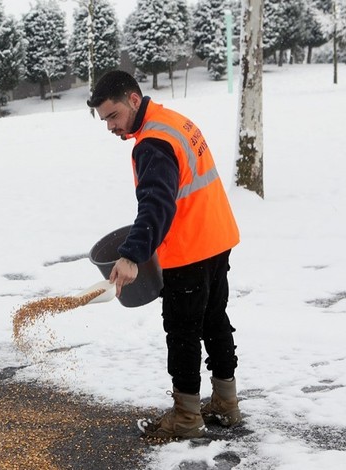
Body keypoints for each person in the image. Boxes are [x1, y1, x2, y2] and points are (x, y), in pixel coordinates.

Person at [86, 70, 242, 439]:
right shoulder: (174, 122)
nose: (110, 126)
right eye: (104, 119)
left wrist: (131, 255)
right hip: (216, 237)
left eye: (113, 116)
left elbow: (157, 204)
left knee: (183, 331)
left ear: (134, 100)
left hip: (189, 249)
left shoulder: (152, 142)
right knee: (214, 320)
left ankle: (187, 418)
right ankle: (226, 403)